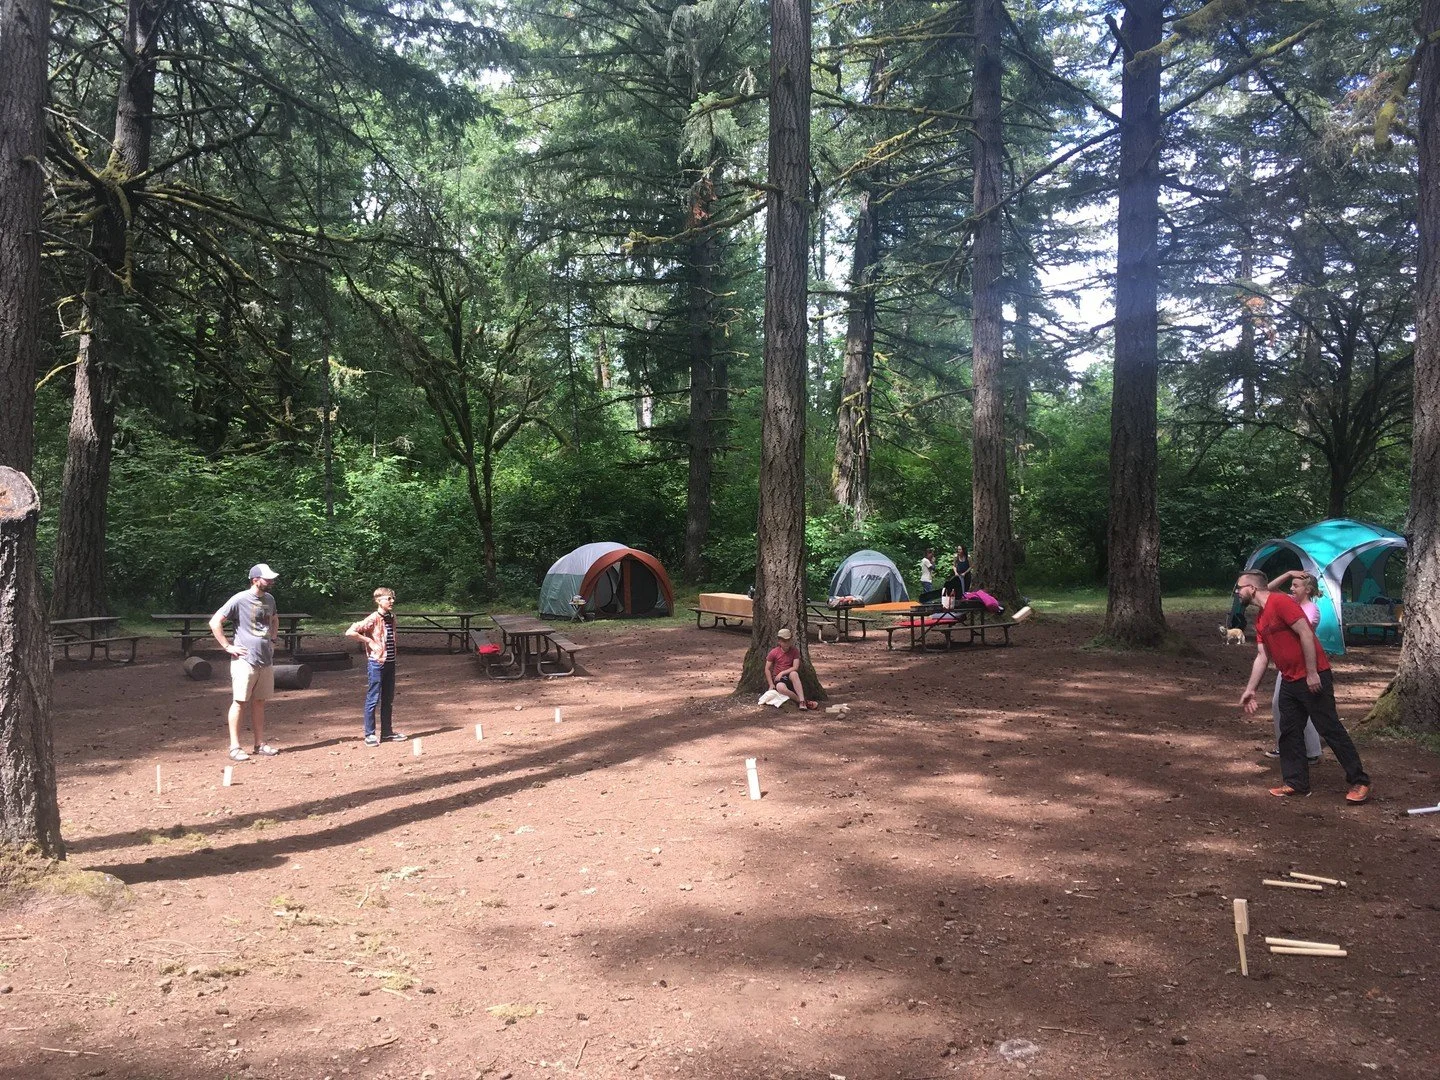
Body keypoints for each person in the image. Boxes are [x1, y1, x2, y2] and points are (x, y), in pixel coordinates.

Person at [1234, 570, 1371, 804]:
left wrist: (1312, 673)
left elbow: (1306, 633)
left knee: (1330, 729)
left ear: (1252, 588)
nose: (1237, 592)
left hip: (1312, 677)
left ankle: (1360, 781)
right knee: (1288, 732)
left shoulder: (1281, 603)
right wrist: (1251, 689)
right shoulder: (1261, 617)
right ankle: (1296, 782)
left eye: (1239, 588)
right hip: (1289, 680)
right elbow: (1262, 657)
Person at [209, 563, 281, 761]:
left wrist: (273, 639)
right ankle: (235, 747)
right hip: (245, 660)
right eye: (267, 578)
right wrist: (227, 646)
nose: (271, 582)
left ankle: (259, 744)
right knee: (239, 702)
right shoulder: (239, 599)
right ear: (255, 580)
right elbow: (215, 622)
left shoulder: (270, 599)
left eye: (271, 579)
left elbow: (275, 619)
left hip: (265, 659)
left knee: (259, 702)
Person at [1263, 570, 1323, 763]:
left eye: (1296, 586)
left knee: (1303, 706)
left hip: (1304, 665)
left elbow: (1301, 632)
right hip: (1288, 664)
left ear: (1308, 590)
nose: (1291, 589)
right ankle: (1285, 746)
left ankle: (1312, 751)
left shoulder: (1311, 609)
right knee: (1279, 704)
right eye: (1291, 585)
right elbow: (1267, 589)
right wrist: (1288, 574)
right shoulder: (1289, 602)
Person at [346, 587, 408, 747]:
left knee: (388, 699)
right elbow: (350, 632)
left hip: (390, 662)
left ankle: (387, 732)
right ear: (378, 601)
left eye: (392, 598)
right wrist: (368, 641)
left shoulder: (391, 617)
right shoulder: (373, 618)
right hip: (376, 663)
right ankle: (370, 734)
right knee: (373, 698)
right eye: (388, 598)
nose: (392, 601)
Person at [764, 628, 815, 710]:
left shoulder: (794, 651)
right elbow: (767, 668)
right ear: (779, 641)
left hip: (789, 675)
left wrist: (782, 673)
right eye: (784, 641)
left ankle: (802, 700)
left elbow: (795, 667)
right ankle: (802, 701)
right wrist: (771, 684)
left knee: (794, 674)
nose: (787, 643)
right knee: (780, 687)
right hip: (779, 678)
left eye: (788, 640)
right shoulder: (774, 652)